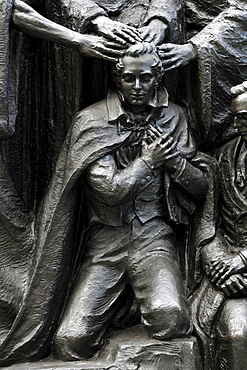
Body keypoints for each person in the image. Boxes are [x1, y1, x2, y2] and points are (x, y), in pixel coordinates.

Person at [0, 42, 210, 365]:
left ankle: (141, 309)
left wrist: (175, 164)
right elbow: (111, 189)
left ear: (158, 78)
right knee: (70, 342)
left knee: (172, 319)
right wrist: (150, 161)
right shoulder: (92, 121)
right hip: (105, 246)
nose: (137, 87)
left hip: (154, 239)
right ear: (117, 78)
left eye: (145, 79)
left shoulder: (174, 118)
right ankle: (125, 308)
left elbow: (201, 186)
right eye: (129, 79)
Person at [190, 81, 247, 370]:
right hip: (229, 275)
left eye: (246, 117)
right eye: (236, 117)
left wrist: (240, 260)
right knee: (236, 334)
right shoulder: (224, 155)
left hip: (241, 265)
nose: (239, 125)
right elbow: (207, 222)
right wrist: (217, 264)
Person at [158, 0, 247, 147]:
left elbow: (243, 9)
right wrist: (159, 20)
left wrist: (196, 47)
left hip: (223, 48)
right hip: (176, 37)